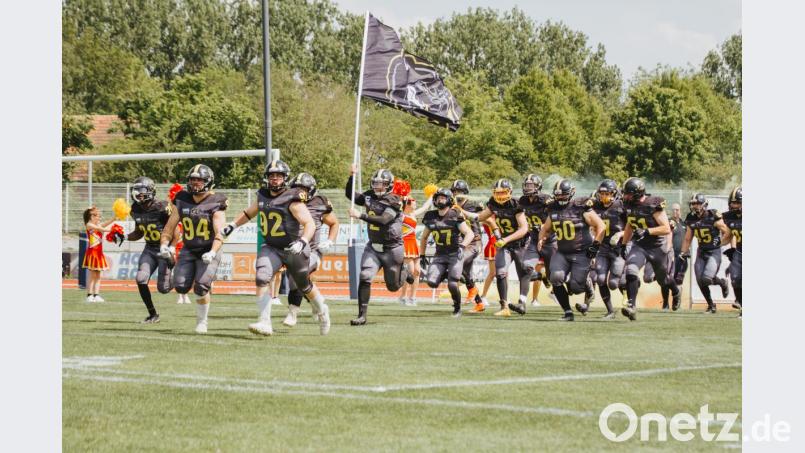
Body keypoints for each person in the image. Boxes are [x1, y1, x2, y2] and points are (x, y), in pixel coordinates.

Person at [223, 161, 330, 336]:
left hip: (294, 248)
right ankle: (264, 321)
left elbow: (309, 223)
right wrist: (232, 225)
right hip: (271, 246)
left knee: (303, 284)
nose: (274, 179)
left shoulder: (292, 197)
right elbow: (248, 213)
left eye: (278, 176)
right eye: (271, 175)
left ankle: (322, 310)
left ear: (285, 178)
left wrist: (303, 241)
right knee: (261, 277)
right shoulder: (263, 195)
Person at [159, 164, 228, 334]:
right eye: (192, 179)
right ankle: (172, 266)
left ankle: (202, 322)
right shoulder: (182, 198)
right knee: (181, 287)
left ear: (208, 181)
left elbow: (220, 232)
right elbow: (169, 228)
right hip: (189, 249)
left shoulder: (216, 201)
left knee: (201, 286)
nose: (195, 183)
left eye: (199, 180)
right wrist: (164, 245)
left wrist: (213, 252)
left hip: (209, 248)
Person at [346, 165, 414, 325]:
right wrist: (351, 176)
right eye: (375, 183)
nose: (377, 186)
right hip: (373, 247)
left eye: (381, 184)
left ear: (389, 185)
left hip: (392, 248)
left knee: (393, 287)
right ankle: (362, 315)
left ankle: (404, 272)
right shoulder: (370, 196)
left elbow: (384, 220)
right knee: (365, 276)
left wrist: (360, 215)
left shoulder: (394, 199)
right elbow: (351, 195)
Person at [538, 179, 605, 321]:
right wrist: (541, 238)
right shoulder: (553, 208)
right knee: (555, 278)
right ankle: (568, 312)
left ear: (571, 193)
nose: (560, 197)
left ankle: (586, 284)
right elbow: (546, 228)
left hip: (582, 252)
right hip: (562, 252)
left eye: (563, 194)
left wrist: (595, 246)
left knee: (576, 288)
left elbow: (601, 226)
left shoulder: (580, 207)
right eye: (558, 194)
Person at [460, 179, 530, 317]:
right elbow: (480, 217)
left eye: (503, 192)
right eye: (497, 193)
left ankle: (523, 301)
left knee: (523, 271)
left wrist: (505, 239)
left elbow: (523, 229)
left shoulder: (516, 204)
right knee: (500, 273)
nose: (500, 196)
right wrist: (462, 211)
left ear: (509, 192)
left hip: (520, 243)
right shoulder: (493, 203)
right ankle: (504, 306)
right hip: (505, 244)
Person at [281, 172, 339, 328]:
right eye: (296, 188)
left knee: (297, 277)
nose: (299, 191)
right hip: (292, 251)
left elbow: (334, 223)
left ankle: (292, 313)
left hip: (312, 251)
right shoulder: (287, 201)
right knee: (301, 282)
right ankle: (317, 303)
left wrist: (330, 240)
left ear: (311, 190)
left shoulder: (320, 203)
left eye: (303, 188)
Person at [619, 177, 681, 321]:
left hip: (657, 247)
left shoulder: (652, 204)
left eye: (628, 194)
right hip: (640, 245)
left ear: (637, 193)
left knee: (663, 280)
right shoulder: (628, 206)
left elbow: (666, 228)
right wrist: (624, 244)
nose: (625, 196)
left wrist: (647, 231)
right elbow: (629, 225)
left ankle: (675, 291)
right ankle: (632, 306)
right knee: (631, 270)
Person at [123, 177, 180, 323]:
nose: (138, 193)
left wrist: (172, 247)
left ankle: (180, 276)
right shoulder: (135, 209)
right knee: (140, 278)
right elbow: (139, 233)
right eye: (136, 190)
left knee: (164, 289)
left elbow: (175, 228)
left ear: (150, 191)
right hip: (149, 248)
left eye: (141, 190)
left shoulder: (162, 207)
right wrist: (124, 237)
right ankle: (153, 315)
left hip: (164, 249)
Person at [419, 188, 475, 317]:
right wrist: (422, 255)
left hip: (455, 253)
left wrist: (462, 246)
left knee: (452, 284)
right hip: (440, 254)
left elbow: (469, 233)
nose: (440, 200)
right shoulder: (430, 216)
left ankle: (457, 308)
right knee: (431, 282)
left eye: (443, 198)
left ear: (449, 200)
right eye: (438, 198)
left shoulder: (455, 214)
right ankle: (446, 274)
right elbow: (424, 237)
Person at [577, 179, 625, 319]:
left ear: (614, 193)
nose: (603, 196)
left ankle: (629, 299)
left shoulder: (621, 206)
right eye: (602, 193)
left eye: (607, 193)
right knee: (600, 279)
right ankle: (610, 311)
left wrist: (620, 234)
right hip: (602, 248)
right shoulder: (595, 207)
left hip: (618, 248)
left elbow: (631, 227)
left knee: (614, 283)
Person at [679, 193, 731, 313]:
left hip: (714, 251)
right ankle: (711, 305)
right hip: (701, 251)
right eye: (693, 204)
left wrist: (721, 241)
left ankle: (722, 283)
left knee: (707, 278)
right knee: (700, 280)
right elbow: (687, 238)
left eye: (697, 204)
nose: (694, 206)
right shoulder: (691, 218)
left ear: (704, 204)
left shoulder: (712, 216)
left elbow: (727, 232)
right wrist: (683, 252)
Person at [517, 174, 556, 312]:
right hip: (534, 240)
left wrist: (543, 227)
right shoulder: (523, 200)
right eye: (526, 185)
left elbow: (557, 217)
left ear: (538, 186)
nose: (528, 188)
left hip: (549, 241)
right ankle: (521, 302)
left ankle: (550, 281)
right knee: (526, 268)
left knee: (553, 276)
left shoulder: (545, 200)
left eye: (531, 185)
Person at [450, 180, 485, 311]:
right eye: (454, 191)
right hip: (463, 243)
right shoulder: (452, 205)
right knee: (466, 273)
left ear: (465, 193)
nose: (456, 194)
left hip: (474, 242)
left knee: (458, 261)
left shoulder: (472, 205)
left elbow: (482, 216)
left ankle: (472, 290)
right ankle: (479, 303)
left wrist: (460, 210)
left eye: (459, 191)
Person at [398, 195, 433, 306]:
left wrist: (432, 195)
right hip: (405, 244)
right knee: (410, 271)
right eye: (413, 202)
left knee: (417, 271)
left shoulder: (413, 214)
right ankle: (403, 296)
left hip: (414, 244)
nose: (415, 203)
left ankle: (412, 297)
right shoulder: (400, 215)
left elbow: (425, 207)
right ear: (407, 204)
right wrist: (402, 197)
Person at [82, 206, 116, 303]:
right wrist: (112, 230)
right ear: (92, 217)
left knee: (98, 275)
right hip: (92, 253)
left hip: (99, 254)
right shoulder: (89, 225)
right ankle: (89, 295)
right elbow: (100, 228)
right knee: (92, 275)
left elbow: (106, 224)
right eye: (97, 216)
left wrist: (114, 218)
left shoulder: (98, 225)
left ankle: (96, 295)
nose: (99, 218)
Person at [722, 186, 742, 317]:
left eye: (737, 202)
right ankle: (742, 305)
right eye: (732, 203)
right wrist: (715, 244)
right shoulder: (730, 217)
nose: (734, 205)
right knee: (735, 278)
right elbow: (728, 236)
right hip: (740, 252)